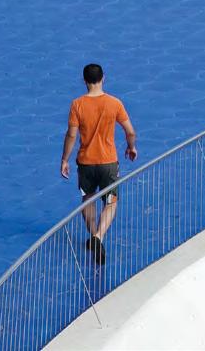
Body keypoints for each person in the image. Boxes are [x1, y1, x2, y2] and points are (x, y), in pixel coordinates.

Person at [60, 63, 137, 265]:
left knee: (88, 199)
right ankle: (99, 237)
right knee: (111, 202)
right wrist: (131, 147)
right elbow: (130, 131)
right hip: (108, 162)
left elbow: (71, 135)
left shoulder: (77, 104)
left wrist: (65, 159)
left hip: (86, 163)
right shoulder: (114, 103)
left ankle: (93, 234)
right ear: (103, 78)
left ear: (84, 80)